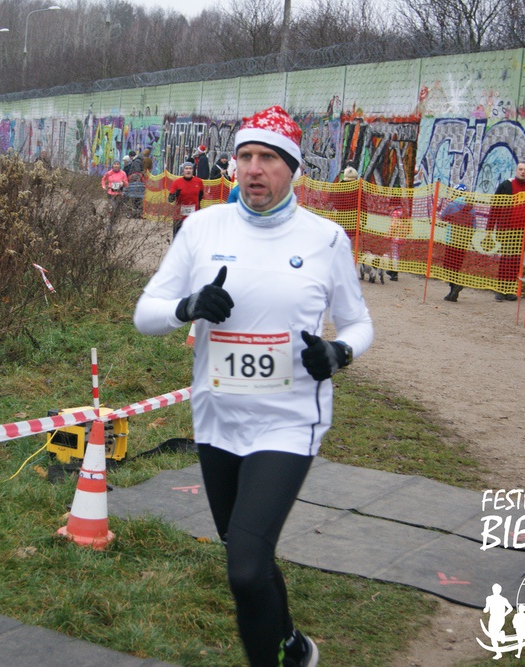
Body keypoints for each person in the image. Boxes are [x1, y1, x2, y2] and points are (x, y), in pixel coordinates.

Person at [135, 105, 373, 667]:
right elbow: (145, 314)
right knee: (248, 552)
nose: (253, 168)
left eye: (268, 157)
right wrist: (187, 307)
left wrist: (338, 352)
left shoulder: (325, 239)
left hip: (289, 421)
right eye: (244, 156)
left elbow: (358, 323)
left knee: (243, 566)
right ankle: (293, 647)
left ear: (292, 168)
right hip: (217, 418)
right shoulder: (203, 228)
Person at [488, 162, 525, 301]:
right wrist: (490, 227)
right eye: (520, 169)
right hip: (507, 230)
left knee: (517, 260)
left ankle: (509, 289)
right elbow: (495, 206)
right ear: (516, 170)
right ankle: (501, 289)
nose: (523, 172)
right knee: (506, 259)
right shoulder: (506, 185)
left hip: (523, 231)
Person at [438, 184, 477, 302]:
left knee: (448, 265)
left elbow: (442, 217)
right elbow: (474, 226)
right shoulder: (471, 207)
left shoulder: (452, 205)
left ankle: (454, 286)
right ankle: (453, 292)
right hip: (463, 241)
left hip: (452, 239)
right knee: (457, 265)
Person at [168, 161, 204, 239]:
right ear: (183, 171)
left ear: (193, 171)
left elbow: (200, 196)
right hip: (179, 217)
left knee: (192, 239)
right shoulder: (176, 183)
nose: (188, 170)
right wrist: (175, 194)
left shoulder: (199, 182)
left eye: (190, 168)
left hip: (193, 216)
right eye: (186, 168)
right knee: (178, 239)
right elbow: (170, 199)